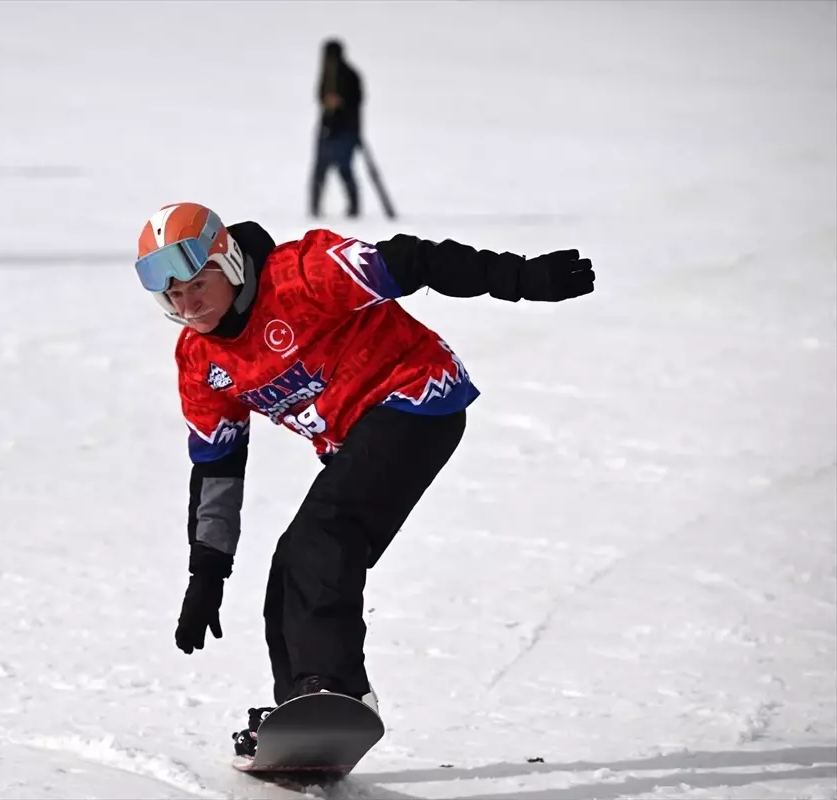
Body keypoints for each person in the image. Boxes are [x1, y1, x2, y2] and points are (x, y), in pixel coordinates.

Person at [133, 202, 595, 758]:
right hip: (357, 438)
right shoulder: (200, 359)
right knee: (289, 567)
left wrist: (520, 278)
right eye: (173, 297)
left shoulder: (303, 275)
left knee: (322, 538)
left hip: (418, 395)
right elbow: (217, 467)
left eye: (197, 284)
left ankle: (337, 689)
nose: (189, 305)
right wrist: (208, 568)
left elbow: (415, 260)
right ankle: (303, 708)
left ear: (229, 261)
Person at [310, 39, 362, 219]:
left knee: (345, 170)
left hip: (345, 131)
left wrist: (342, 103)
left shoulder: (349, 75)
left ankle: (354, 208)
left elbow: (356, 103)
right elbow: (320, 96)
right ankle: (314, 208)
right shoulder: (327, 75)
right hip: (327, 129)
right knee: (320, 171)